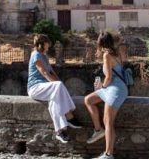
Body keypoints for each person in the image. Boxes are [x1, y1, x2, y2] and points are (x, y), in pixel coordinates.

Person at [27, 34, 82, 143]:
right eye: (47, 43)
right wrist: (58, 86)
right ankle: (69, 115)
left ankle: (60, 132)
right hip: (35, 88)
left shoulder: (44, 57)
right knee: (57, 87)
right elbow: (44, 72)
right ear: (42, 44)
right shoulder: (35, 54)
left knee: (55, 96)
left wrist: (61, 86)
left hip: (46, 88)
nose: (49, 46)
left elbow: (52, 73)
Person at [84, 31, 129, 159]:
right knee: (88, 100)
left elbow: (108, 77)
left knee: (108, 121)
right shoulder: (117, 53)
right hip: (114, 87)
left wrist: (102, 87)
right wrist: (103, 87)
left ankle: (108, 154)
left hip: (115, 90)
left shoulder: (107, 55)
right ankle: (98, 130)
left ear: (101, 43)